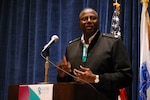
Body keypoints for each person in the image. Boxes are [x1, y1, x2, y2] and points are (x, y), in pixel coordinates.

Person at [57, 7, 132, 100]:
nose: (89, 21)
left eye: (93, 18)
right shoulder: (71, 47)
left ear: (98, 21)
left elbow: (126, 76)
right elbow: (68, 82)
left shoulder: (113, 43)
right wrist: (62, 75)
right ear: (79, 23)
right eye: (85, 19)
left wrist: (96, 78)